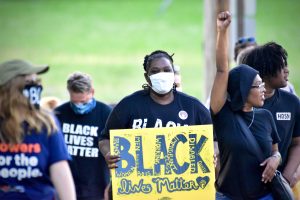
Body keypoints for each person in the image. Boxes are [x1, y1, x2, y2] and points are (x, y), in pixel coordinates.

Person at [98, 50, 212, 198]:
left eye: (167, 70)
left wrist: (213, 153)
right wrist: (108, 153)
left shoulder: (193, 107)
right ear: (147, 76)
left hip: (182, 190)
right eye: (155, 71)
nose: (162, 74)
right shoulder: (128, 106)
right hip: (138, 192)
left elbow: (213, 140)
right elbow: (104, 138)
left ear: (173, 73)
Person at [211, 12, 281, 199]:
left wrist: (275, 159)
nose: (263, 89)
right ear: (242, 89)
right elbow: (221, 70)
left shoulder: (265, 116)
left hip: (265, 196)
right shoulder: (222, 114)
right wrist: (222, 31)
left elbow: (276, 151)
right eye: (258, 85)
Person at [0, 59, 76, 200]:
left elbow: (60, 171)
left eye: (37, 81)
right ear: (10, 88)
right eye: (29, 83)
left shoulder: (47, 123)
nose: (36, 87)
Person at [240, 41, 300, 187]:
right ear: (265, 71)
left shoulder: (292, 103)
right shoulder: (239, 104)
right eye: (281, 66)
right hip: (242, 186)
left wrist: (286, 177)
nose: (287, 70)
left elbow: (297, 143)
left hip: (279, 185)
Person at [55, 72, 111, 200]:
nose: (79, 106)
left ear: (92, 92)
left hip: (98, 189)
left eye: (83, 101)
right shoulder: (58, 114)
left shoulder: (106, 113)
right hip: (67, 188)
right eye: (75, 102)